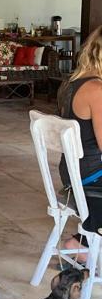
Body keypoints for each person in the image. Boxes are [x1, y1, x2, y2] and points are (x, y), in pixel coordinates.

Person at [58, 26, 102, 262]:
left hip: (73, 173)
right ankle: (84, 244)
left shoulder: (72, 82)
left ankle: (81, 243)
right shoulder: (97, 90)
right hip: (91, 179)